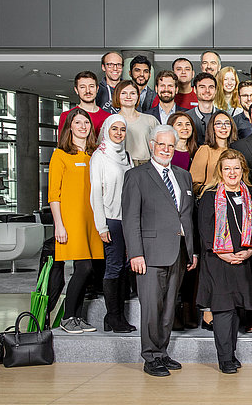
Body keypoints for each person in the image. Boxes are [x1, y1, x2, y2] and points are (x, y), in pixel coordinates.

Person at [121, 124, 198, 377]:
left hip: (178, 251)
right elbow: (130, 218)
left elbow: (187, 216)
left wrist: (192, 250)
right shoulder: (137, 176)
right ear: (152, 145)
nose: (166, 149)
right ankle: (150, 355)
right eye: (161, 144)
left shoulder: (183, 175)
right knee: (151, 307)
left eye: (170, 145)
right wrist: (135, 253)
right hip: (150, 253)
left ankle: (162, 352)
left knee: (168, 308)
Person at [196, 150, 252, 374]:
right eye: (227, 168)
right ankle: (224, 359)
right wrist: (221, 252)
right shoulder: (210, 195)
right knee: (222, 310)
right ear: (220, 172)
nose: (232, 172)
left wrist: (250, 251)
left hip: (242, 258)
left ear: (243, 171)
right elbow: (204, 229)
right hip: (217, 260)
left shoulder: (249, 193)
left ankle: (231, 353)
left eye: (236, 168)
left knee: (235, 310)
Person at [51, 108, 104, 335]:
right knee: (83, 267)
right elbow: (54, 195)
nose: (83, 126)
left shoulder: (95, 155)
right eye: (78, 122)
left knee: (89, 270)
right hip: (71, 221)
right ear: (69, 126)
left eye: (86, 123)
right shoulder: (60, 155)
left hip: (92, 220)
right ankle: (67, 316)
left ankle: (78, 316)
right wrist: (59, 225)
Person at [90, 114, 136, 333]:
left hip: (127, 219)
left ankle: (117, 317)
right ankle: (113, 317)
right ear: (106, 130)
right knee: (114, 266)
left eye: (122, 129)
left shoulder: (126, 156)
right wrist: (102, 226)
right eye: (114, 129)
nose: (118, 133)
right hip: (111, 219)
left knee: (126, 267)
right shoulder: (100, 156)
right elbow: (95, 194)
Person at [113, 80, 159, 166]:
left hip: (146, 166)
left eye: (132, 93)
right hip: (121, 165)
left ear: (138, 96)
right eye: (123, 93)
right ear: (117, 95)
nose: (128, 97)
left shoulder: (150, 120)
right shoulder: (111, 121)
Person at [189, 111, 236, 193]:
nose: (223, 127)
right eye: (218, 124)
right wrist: (213, 192)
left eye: (227, 123)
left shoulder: (237, 150)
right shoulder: (205, 150)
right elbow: (194, 184)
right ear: (212, 128)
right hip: (211, 198)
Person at [58, 71, 110, 136]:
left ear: (97, 89)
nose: (88, 91)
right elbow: (62, 144)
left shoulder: (109, 118)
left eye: (91, 86)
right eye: (82, 87)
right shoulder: (66, 116)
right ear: (76, 90)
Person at [186, 72, 220, 146]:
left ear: (216, 90)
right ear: (195, 89)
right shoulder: (186, 117)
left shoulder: (224, 116)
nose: (207, 90)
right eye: (202, 87)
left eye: (211, 87)